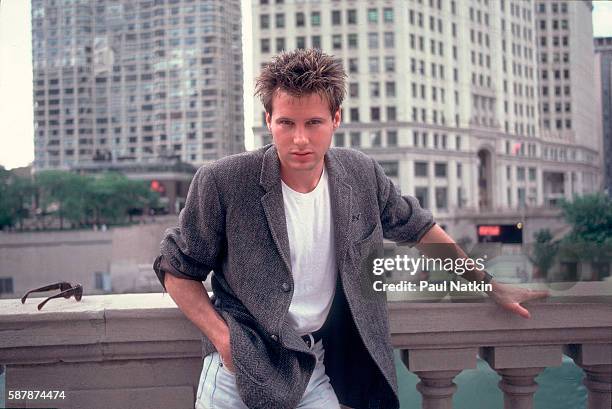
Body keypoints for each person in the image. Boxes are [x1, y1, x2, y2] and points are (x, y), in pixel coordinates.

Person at [153, 48, 547, 409]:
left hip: (314, 366)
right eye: (286, 123)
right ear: (268, 120)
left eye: (314, 122)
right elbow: (176, 268)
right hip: (238, 376)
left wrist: (488, 284)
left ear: (336, 119)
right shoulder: (224, 181)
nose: (300, 138)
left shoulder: (360, 173)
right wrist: (225, 342)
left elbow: (420, 229)